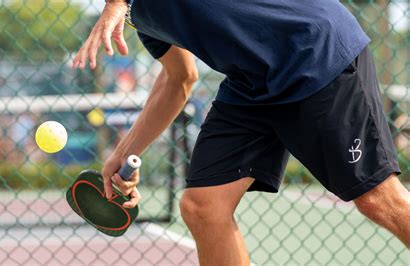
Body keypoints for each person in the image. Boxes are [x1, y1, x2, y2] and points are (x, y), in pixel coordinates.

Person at [72, 0, 410, 264]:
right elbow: (179, 79)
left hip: (310, 51)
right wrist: (123, 152)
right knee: (204, 206)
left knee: (378, 199)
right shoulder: (141, 16)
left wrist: (115, 4)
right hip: (252, 81)